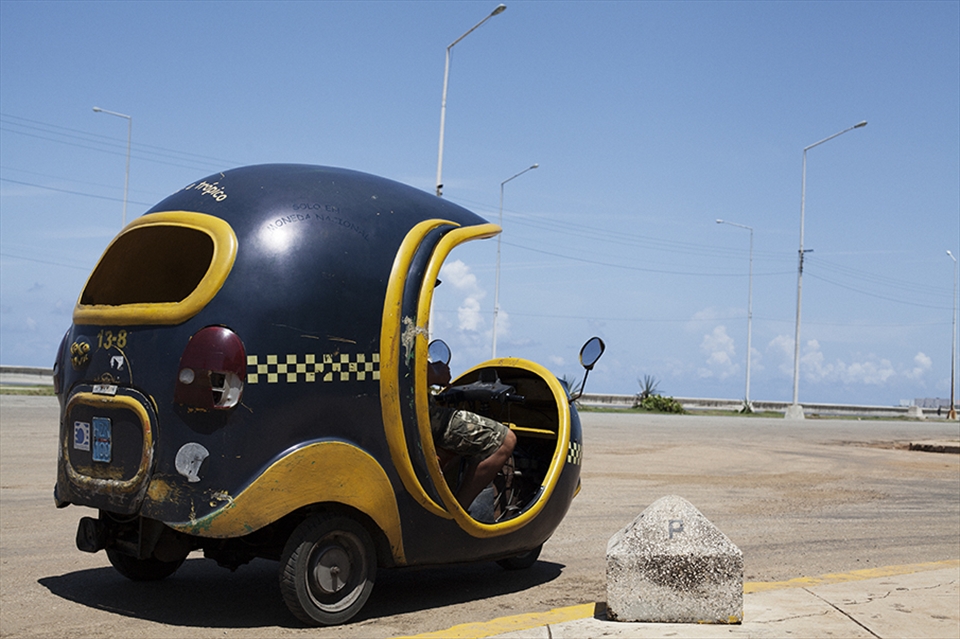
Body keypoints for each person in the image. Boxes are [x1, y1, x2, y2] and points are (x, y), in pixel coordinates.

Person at [427, 359, 517, 510]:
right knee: (505, 440)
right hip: (421, 416)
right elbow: (405, 367)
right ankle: (456, 514)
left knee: (458, 444)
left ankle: (438, 500)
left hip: (399, 416)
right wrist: (436, 373)